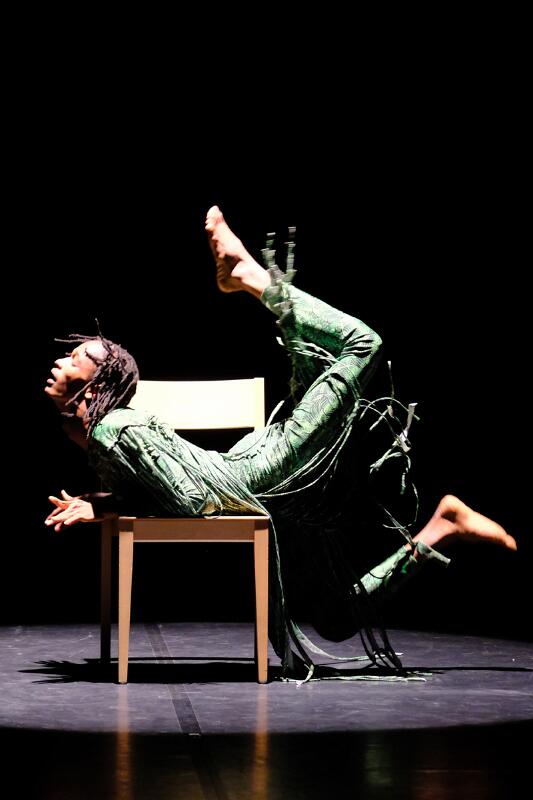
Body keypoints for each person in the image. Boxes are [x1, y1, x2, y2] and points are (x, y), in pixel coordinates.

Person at [45, 206, 517, 680]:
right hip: (254, 486)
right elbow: (170, 492)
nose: (63, 361)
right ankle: (442, 527)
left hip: (262, 468)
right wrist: (106, 504)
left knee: (364, 345)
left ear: (96, 384)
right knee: (334, 619)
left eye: (76, 357)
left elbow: (188, 499)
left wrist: (106, 506)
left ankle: (251, 276)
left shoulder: (113, 430)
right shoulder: (108, 432)